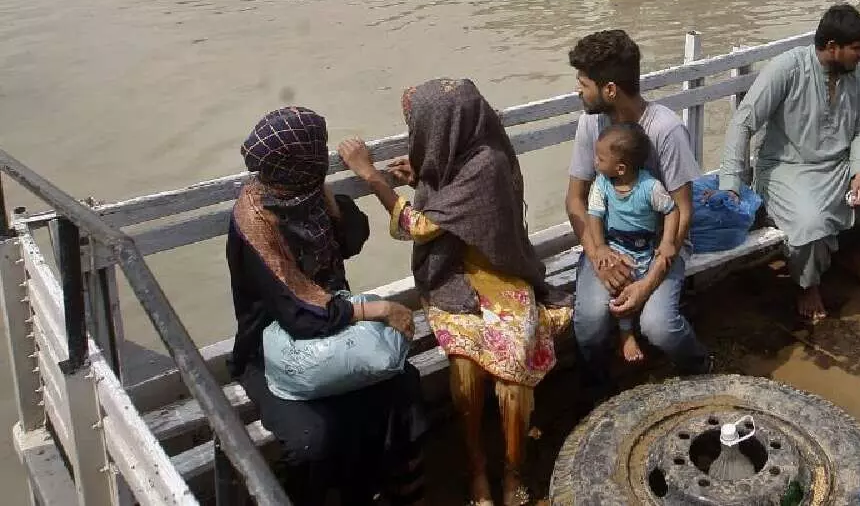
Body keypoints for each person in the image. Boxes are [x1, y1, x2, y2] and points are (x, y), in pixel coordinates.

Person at [339, 80, 570, 506]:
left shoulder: (487, 162)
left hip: (501, 275)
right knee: (465, 372)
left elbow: (422, 226)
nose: (418, 134)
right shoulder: (461, 152)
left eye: (421, 126)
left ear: (444, 126)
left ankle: (513, 472)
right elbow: (449, 201)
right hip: (450, 280)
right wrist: (420, 179)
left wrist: (370, 176)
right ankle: (476, 466)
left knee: (513, 376)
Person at [227, 107, 427, 506]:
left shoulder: (303, 194)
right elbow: (296, 313)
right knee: (313, 439)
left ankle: (386, 492)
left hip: (334, 324)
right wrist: (381, 310)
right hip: (272, 348)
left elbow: (351, 240)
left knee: (401, 388)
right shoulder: (255, 222)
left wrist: (333, 201)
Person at [719, 4, 860, 320]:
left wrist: (859, 173)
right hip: (788, 169)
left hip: (842, 164)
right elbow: (742, 123)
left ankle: (857, 256)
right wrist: (732, 184)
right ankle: (807, 284)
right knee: (811, 225)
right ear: (832, 47)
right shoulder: (787, 68)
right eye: (856, 49)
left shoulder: (854, 73)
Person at [565, 31, 710, 401]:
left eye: (583, 84)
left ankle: (701, 367)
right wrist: (599, 255)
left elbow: (683, 210)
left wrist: (648, 282)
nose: (578, 92)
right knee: (589, 323)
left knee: (660, 326)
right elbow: (576, 201)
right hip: (607, 243)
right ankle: (599, 391)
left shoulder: (665, 129)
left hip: (662, 245)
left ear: (610, 89)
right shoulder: (590, 125)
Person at [586, 122, 678, 364]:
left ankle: (637, 330)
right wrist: (601, 248)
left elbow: (672, 210)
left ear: (620, 167)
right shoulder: (602, 184)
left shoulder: (650, 187)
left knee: (640, 284)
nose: (595, 162)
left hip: (644, 249)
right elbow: (594, 215)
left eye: (600, 158)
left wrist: (668, 241)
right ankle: (626, 334)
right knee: (620, 283)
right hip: (615, 246)